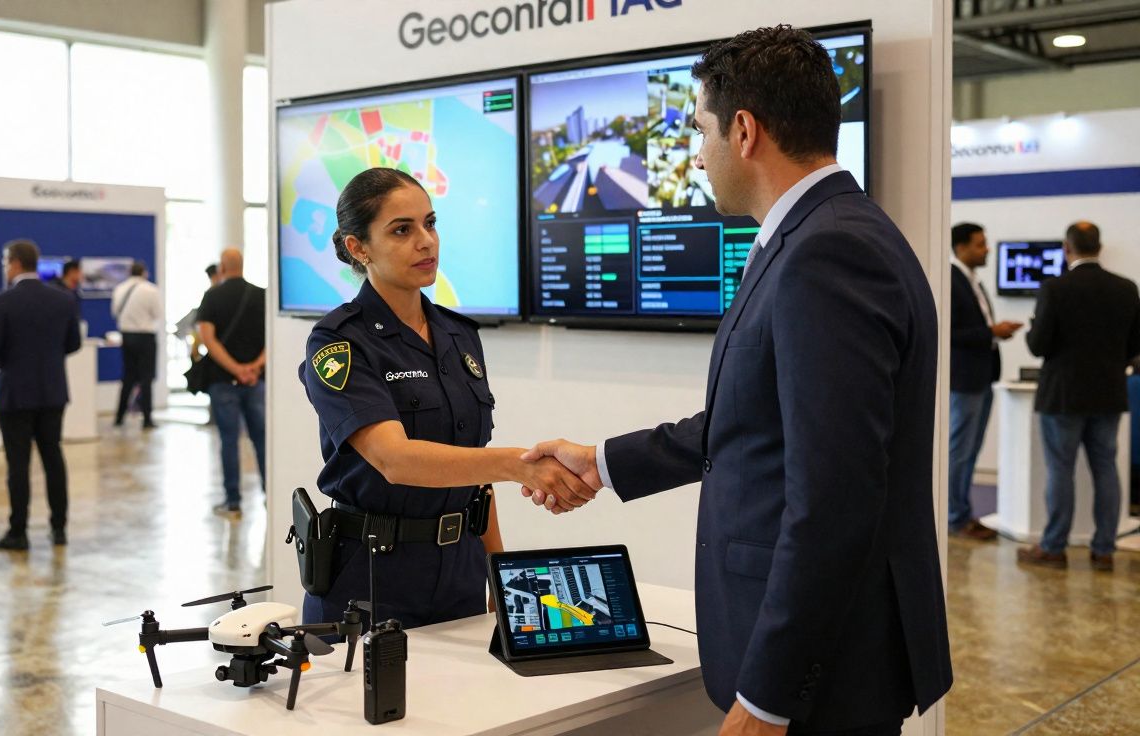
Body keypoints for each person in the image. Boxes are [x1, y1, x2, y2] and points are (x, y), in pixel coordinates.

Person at [520, 27, 951, 735]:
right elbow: (757, 421)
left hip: (822, 677)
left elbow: (834, 500)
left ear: (744, 131)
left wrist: (768, 698)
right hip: (828, 658)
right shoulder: (823, 232)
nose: (696, 154)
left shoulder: (828, 251)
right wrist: (601, 462)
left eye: (700, 129)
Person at [298, 167, 595, 629]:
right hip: (372, 578)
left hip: (460, 572)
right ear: (358, 247)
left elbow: (474, 469)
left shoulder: (459, 335)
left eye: (430, 223)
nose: (426, 241)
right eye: (402, 230)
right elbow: (394, 459)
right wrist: (520, 463)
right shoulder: (339, 342)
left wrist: (499, 568)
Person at [1018, 222, 1140, 573]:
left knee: (1061, 471)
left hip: (1063, 396)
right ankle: (1104, 550)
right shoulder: (1126, 288)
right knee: (1106, 470)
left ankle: (1054, 547)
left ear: (1066, 249)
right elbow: (1135, 346)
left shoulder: (1054, 288)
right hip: (1109, 393)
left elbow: (1038, 345)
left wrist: (1031, 328)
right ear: (1099, 247)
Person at [0, 241, 82, 550]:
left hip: (14, 394)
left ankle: (19, 531)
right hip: (52, 392)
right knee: (53, 458)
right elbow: (73, 343)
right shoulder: (63, 300)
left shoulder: (3, 302)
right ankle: (59, 528)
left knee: (18, 465)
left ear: (14, 263)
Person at [949, 223, 1022, 540]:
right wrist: (991, 333)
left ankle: (963, 513)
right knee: (960, 451)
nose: (987, 250)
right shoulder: (950, 280)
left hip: (981, 377)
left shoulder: (971, 280)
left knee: (971, 450)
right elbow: (948, 333)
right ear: (961, 247)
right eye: (980, 245)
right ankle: (953, 515)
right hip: (964, 380)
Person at [196, 250, 266, 516]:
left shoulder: (212, 296)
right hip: (255, 380)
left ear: (222, 267)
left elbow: (208, 339)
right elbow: (272, 336)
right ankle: (269, 494)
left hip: (223, 380)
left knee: (229, 440)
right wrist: (254, 367)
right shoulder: (262, 295)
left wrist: (235, 369)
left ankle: (233, 501)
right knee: (261, 438)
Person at [111, 261, 162, 428]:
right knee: (146, 379)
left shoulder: (120, 289)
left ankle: (119, 417)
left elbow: (114, 313)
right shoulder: (150, 290)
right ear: (144, 273)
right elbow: (158, 314)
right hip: (145, 336)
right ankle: (147, 418)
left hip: (126, 336)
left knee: (128, 377)